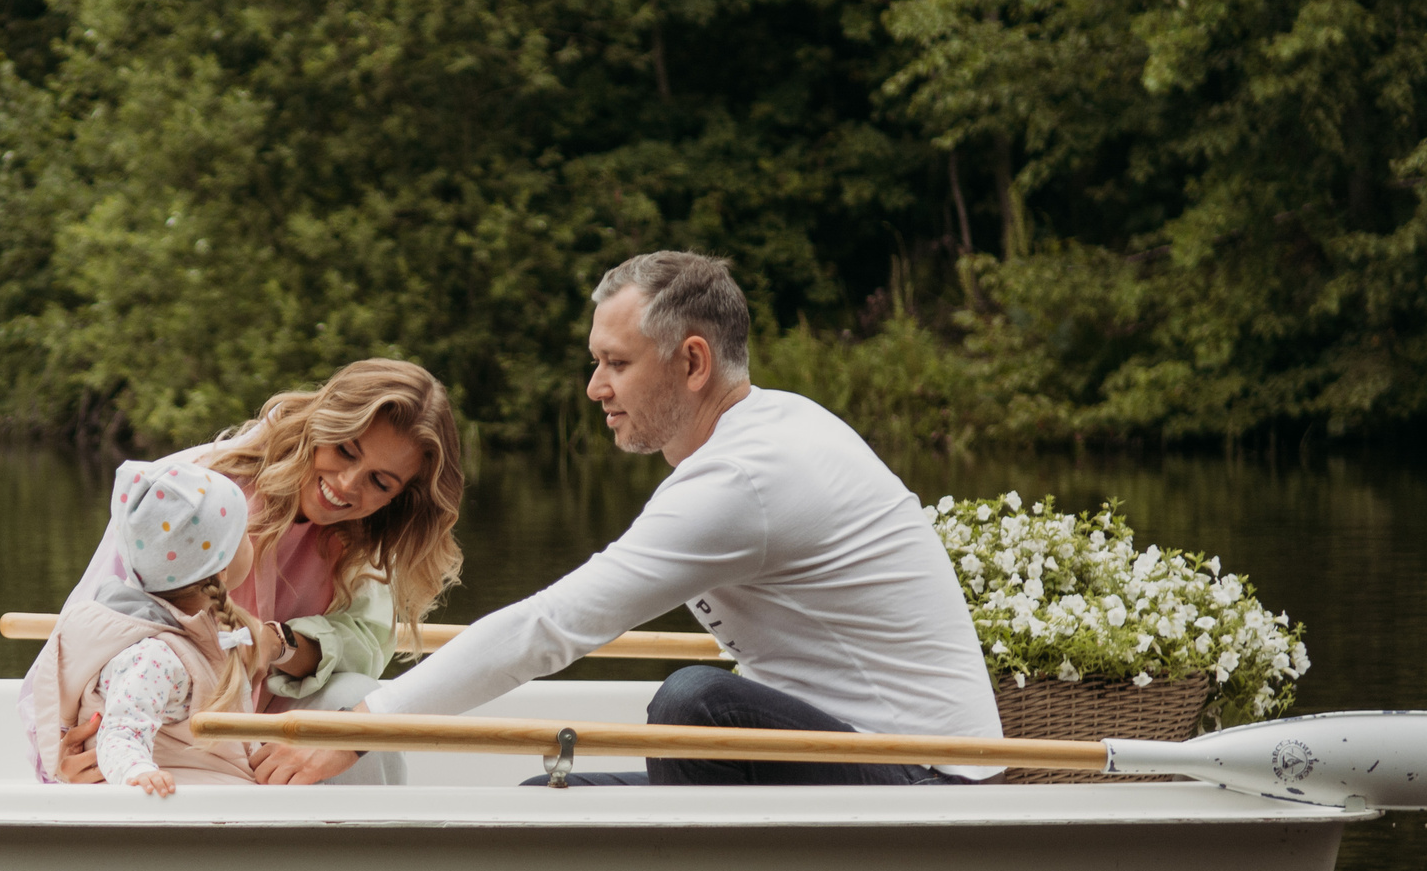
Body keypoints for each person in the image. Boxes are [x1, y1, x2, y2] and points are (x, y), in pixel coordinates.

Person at [249, 251, 1003, 788]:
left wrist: (357, 727)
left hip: (926, 777)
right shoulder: (765, 432)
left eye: (615, 363)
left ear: (693, 362)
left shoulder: (745, 479)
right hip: (845, 752)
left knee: (692, 704)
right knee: (549, 800)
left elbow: (551, 627)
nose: (592, 387)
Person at [23, 358, 466, 785]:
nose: (349, 483)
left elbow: (366, 645)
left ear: (401, 496)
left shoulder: (366, 538)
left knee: (354, 700)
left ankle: (366, 852)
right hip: (160, 737)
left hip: (270, 743)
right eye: (345, 450)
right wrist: (65, 753)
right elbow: (90, 629)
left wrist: (277, 643)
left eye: (380, 482)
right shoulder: (194, 490)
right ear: (320, 425)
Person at [50, 459, 267, 795]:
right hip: (188, 802)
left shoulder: (200, 629)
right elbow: (121, 734)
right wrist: (138, 772)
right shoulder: (154, 656)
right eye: (244, 535)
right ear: (220, 568)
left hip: (216, 790)